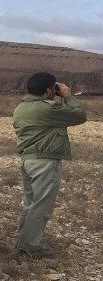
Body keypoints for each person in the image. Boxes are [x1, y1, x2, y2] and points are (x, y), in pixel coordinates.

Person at [13, 72, 86, 258]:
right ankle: (29, 246)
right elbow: (79, 116)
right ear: (47, 90)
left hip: (29, 161)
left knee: (31, 204)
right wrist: (68, 96)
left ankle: (24, 242)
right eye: (53, 89)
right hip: (44, 162)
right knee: (41, 206)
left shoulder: (21, 107)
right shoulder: (46, 109)